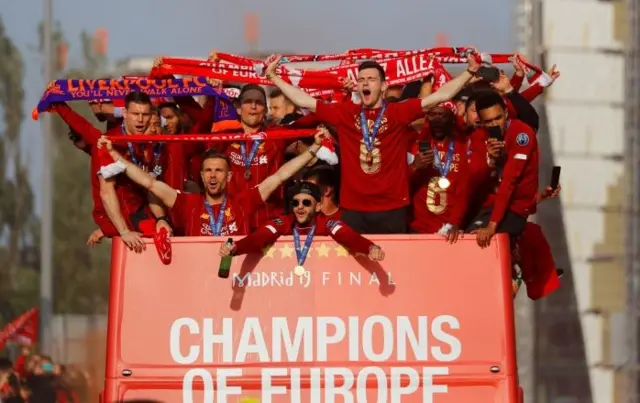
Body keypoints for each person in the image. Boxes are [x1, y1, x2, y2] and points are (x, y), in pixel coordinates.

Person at [265, 54, 480, 233]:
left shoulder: (398, 112)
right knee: (355, 275)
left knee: (393, 271)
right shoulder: (346, 113)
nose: (365, 83)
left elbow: (439, 97)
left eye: (371, 79)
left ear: (384, 86)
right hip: (354, 208)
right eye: (361, 79)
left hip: (392, 207)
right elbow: (304, 101)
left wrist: (469, 72)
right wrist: (274, 77)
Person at [96, 127, 331, 236]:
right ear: (201, 176)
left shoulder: (243, 202)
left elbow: (280, 176)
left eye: (219, 171)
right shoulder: (187, 203)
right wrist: (116, 157)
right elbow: (149, 184)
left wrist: (314, 149)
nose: (212, 176)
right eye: (208, 171)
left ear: (229, 176)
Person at [220, 181, 384, 265]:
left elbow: (348, 236)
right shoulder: (284, 222)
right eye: (295, 203)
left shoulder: (327, 223)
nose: (299, 207)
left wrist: (369, 247)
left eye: (306, 203)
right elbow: (260, 237)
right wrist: (237, 248)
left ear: (318, 206)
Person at [466, 91, 539, 248]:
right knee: (468, 237)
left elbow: (510, 181)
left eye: (498, 118)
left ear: (506, 113)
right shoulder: (479, 136)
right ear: (481, 121)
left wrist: (492, 225)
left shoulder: (522, 134)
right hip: (490, 204)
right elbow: (472, 178)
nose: (494, 125)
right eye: (488, 121)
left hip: (515, 207)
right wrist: (490, 161)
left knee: (483, 242)